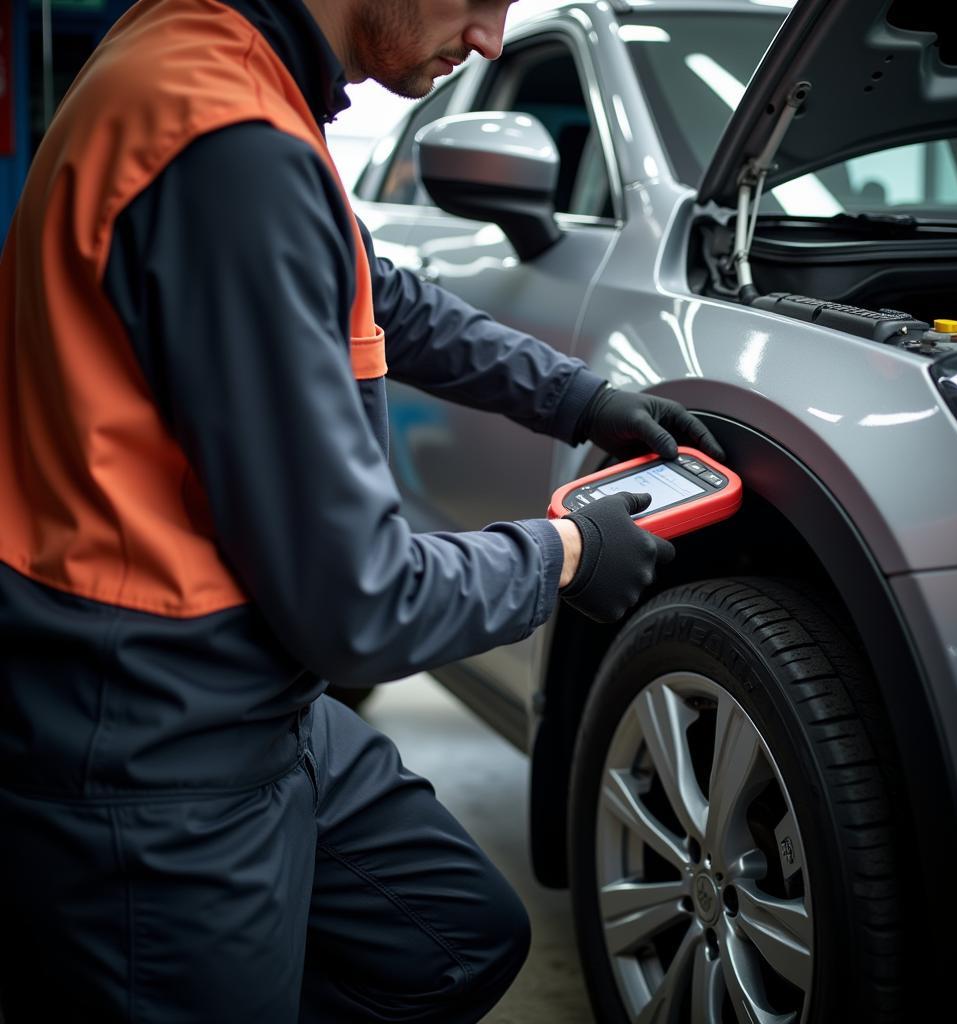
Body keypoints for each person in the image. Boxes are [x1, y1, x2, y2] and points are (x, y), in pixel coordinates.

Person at [0, 0, 726, 1020]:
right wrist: (565, 555)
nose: (487, 38)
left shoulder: (215, 62)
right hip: (154, 736)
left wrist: (576, 395)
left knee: (455, 935)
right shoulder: (224, 146)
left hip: (246, 688)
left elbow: (376, 290)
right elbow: (360, 601)